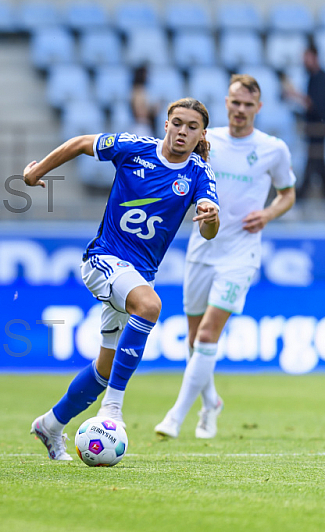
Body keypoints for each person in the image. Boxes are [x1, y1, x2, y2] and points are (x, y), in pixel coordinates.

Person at [24, 98, 220, 461]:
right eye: (177, 123)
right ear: (166, 124)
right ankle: (113, 409)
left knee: (104, 369)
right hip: (104, 260)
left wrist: (209, 218)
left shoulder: (199, 173)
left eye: (192, 127)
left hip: (138, 275)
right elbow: (80, 143)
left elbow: (210, 231)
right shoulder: (134, 148)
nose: (183, 131)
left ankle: (50, 425)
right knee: (150, 305)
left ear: (201, 134)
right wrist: (38, 172)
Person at [155, 75, 296, 439]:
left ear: (258, 108)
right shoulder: (206, 140)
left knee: (207, 333)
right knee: (192, 338)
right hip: (202, 248)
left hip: (241, 253)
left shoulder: (273, 149)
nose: (240, 110)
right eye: (235, 102)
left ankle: (175, 416)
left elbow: (287, 194)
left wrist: (266, 215)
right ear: (226, 102)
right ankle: (211, 401)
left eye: (248, 105)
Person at [284, 44, 325, 199]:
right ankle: (300, 196)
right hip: (313, 127)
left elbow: (315, 105)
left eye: (306, 58)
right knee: (317, 162)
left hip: (318, 127)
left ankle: (299, 197)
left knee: (314, 161)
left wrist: (295, 95)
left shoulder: (320, 79)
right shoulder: (312, 78)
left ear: (314, 57)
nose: (304, 62)